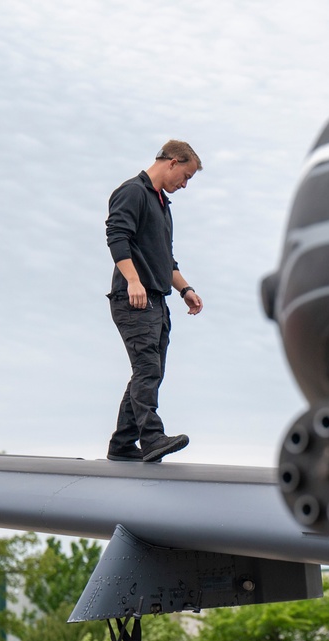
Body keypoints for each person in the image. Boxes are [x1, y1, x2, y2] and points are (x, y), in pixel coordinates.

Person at [104, 140, 204, 462]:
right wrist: (133, 280)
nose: (184, 185)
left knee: (150, 371)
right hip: (134, 297)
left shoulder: (163, 205)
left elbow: (165, 259)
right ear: (172, 162)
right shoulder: (133, 192)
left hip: (157, 300)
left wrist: (185, 289)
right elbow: (117, 235)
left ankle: (122, 444)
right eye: (185, 176)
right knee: (147, 368)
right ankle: (152, 438)